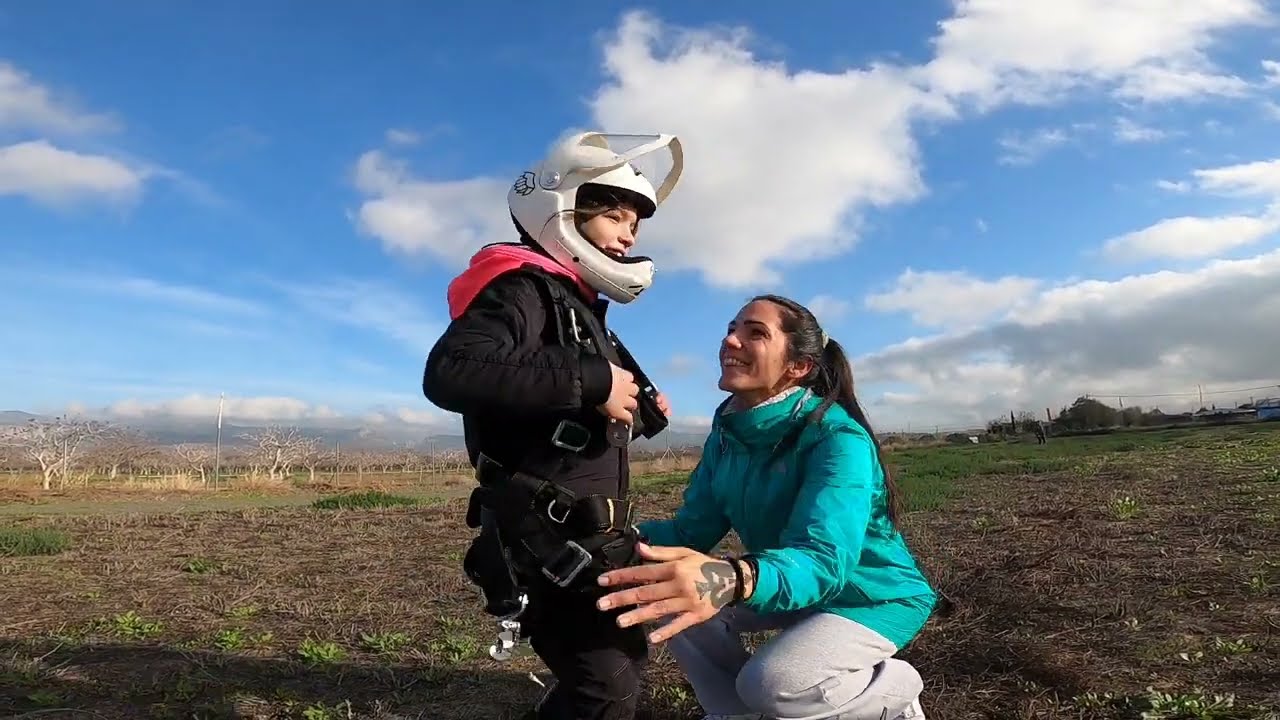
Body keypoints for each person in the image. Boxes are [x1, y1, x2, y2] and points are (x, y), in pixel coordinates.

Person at [421, 131, 684, 720]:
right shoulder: (520, 287)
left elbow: (558, 416)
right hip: (549, 537)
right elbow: (451, 370)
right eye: (615, 217)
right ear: (562, 213)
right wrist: (593, 379)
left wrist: (639, 410)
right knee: (606, 686)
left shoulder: (577, 305)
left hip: (593, 534)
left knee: (612, 673)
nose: (629, 234)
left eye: (635, 224)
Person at [593, 294, 937, 720]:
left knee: (771, 684)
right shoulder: (726, 436)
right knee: (674, 593)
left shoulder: (836, 439)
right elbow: (689, 534)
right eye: (731, 328)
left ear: (799, 367)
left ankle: (894, 689)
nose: (730, 340)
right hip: (790, 584)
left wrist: (735, 576)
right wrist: (614, 540)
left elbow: (825, 560)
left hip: (869, 598)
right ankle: (736, 714)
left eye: (755, 333)